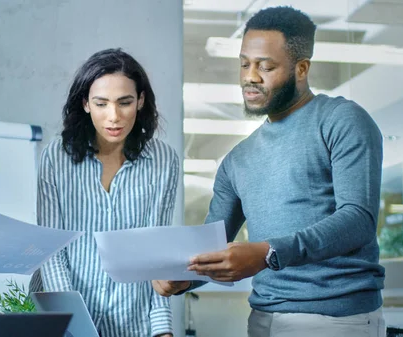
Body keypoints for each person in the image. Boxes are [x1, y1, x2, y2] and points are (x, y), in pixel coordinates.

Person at [153, 6, 386, 337]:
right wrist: (182, 275)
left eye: (266, 66)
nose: (250, 76)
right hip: (263, 319)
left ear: (301, 68)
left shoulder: (341, 120)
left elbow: (358, 220)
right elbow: (213, 244)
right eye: (245, 63)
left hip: (336, 322)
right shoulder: (237, 160)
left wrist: (268, 253)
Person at [31, 48, 178, 337]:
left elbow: (155, 252)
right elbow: (52, 252)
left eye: (125, 103)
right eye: (101, 104)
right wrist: (74, 326)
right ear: (85, 103)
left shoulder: (163, 160)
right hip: (62, 321)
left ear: (140, 101)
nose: (114, 117)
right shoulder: (55, 157)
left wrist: (162, 329)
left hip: (132, 322)